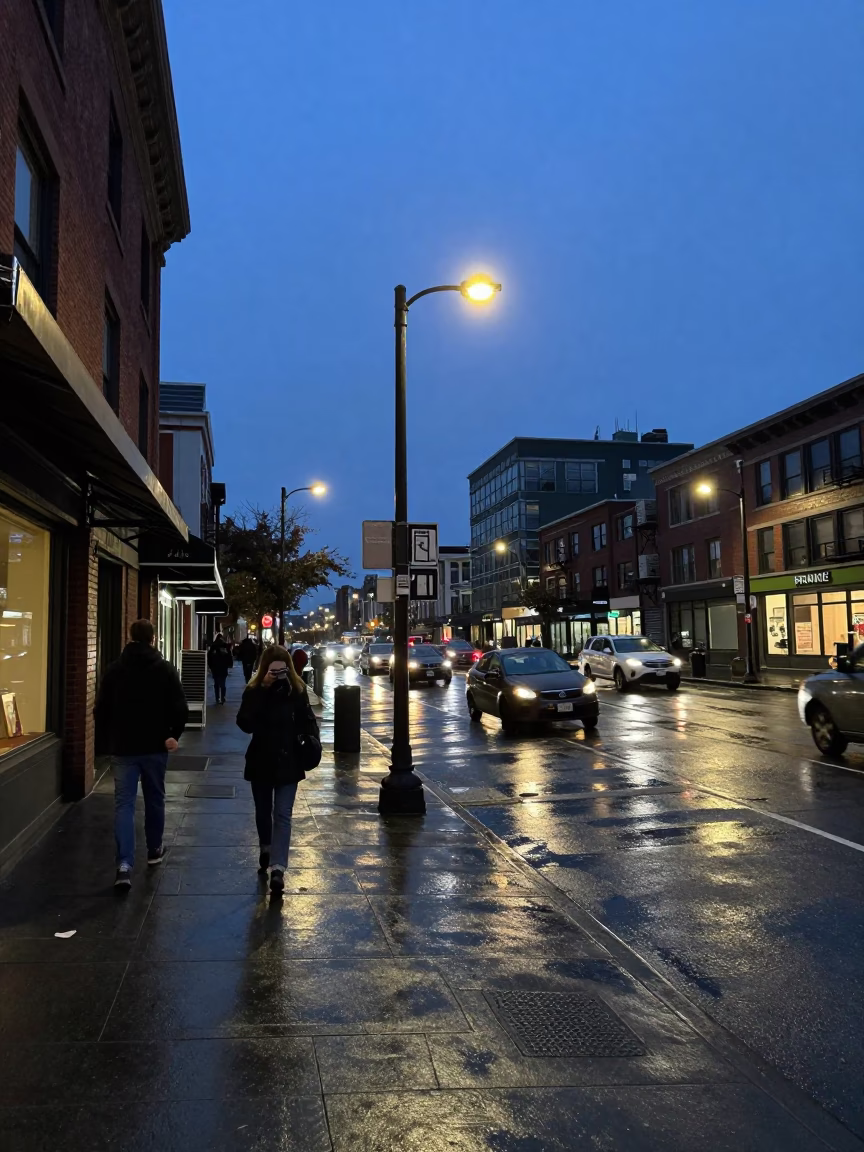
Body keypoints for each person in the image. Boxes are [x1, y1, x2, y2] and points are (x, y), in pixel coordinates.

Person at [94, 619, 188, 888]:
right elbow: (180, 706)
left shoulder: (115, 670)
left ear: (130, 637)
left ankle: (124, 864)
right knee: (155, 799)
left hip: (123, 747)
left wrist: (108, 740)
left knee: (124, 804)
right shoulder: (165, 669)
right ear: (153, 638)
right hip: (155, 746)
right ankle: (154, 850)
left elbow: (101, 710)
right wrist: (173, 734)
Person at [236, 645, 320, 895]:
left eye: (282, 670)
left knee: (283, 814)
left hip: (288, 760)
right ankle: (266, 847)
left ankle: (278, 869)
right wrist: (263, 688)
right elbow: (244, 723)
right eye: (273, 670)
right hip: (261, 760)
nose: (277, 674)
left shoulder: (297, 690)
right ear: (264, 669)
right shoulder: (254, 689)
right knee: (263, 812)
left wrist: (310, 744)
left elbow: (307, 721)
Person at [207, 631, 233, 704]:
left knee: (216, 683)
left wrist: (210, 666)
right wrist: (230, 664)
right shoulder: (225, 646)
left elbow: (209, 657)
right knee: (223, 683)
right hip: (223, 667)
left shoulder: (213, 646)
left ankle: (217, 698)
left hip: (215, 667)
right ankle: (223, 697)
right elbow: (229, 656)